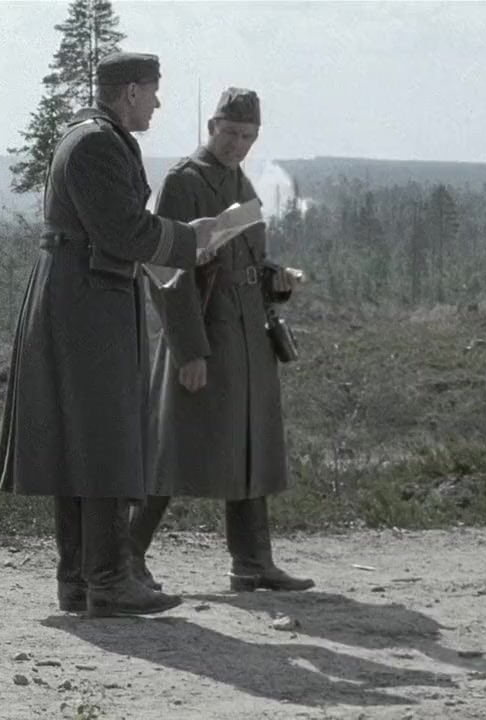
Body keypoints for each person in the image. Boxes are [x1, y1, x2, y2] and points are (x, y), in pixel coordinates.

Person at [0, 51, 221, 618]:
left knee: (85, 440)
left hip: (86, 295)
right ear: (131, 92)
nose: (157, 103)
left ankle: (82, 580)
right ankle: (108, 580)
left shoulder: (91, 136)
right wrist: (190, 239)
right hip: (89, 302)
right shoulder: (97, 142)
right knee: (103, 439)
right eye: (152, 91)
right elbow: (123, 230)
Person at [131, 87, 314, 594]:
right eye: (230, 132)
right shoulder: (184, 182)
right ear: (212, 127)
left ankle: (253, 562)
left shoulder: (240, 180)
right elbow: (166, 271)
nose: (238, 144)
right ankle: (125, 556)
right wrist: (189, 350)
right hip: (205, 331)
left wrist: (276, 278)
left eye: (248, 136)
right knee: (173, 448)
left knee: (252, 443)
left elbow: (248, 259)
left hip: (248, 334)